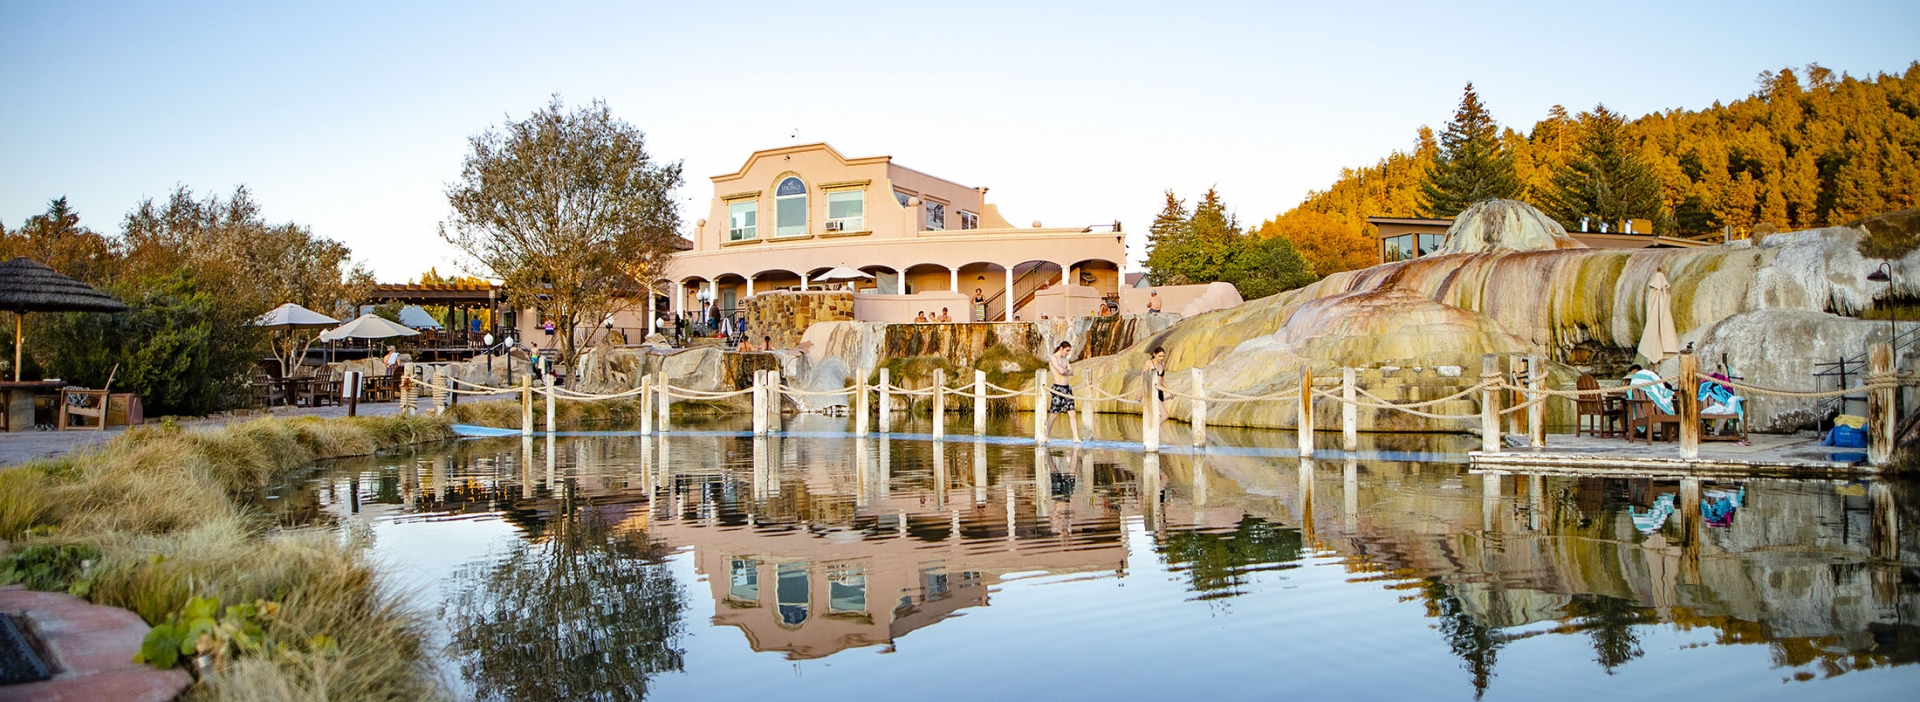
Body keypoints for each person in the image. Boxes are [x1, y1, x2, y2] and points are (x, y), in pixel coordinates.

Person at [1044, 341, 1082, 443]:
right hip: (1057, 388)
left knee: (1072, 412)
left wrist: (1066, 371)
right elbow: (1061, 371)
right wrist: (1066, 371)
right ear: (1061, 348)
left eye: (1069, 351)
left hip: (1067, 388)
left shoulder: (1065, 359)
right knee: (1054, 414)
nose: (1068, 353)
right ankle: (1046, 435)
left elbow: (1071, 372)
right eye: (1067, 350)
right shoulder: (1053, 358)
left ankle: (1076, 437)